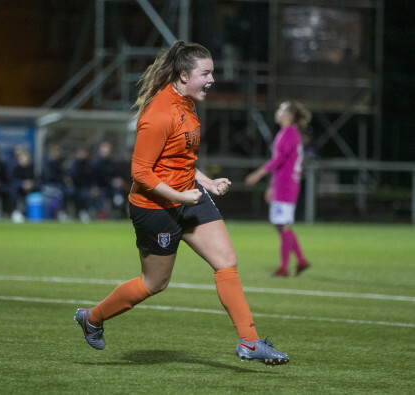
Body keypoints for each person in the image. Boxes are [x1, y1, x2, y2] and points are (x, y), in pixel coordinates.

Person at [74, 40, 289, 365]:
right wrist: (179, 195)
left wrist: (206, 182)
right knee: (154, 283)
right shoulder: (158, 114)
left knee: (226, 260)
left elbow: (180, 158)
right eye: (206, 73)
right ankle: (92, 319)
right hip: (155, 208)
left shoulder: (187, 103)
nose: (212, 79)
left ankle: (250, 342)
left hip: (188, 196)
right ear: (183, 75)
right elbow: (140, 172)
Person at [245, 101, 312, 277]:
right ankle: (301, 261)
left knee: (282, 224)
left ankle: (284, 267)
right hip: (283, 184)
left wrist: (258, 174)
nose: (278, 112)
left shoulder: (289, 133)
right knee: (283, 224)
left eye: (282, 109)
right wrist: (271, 187)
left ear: (289, 114)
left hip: (286, 185)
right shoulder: (288, 133)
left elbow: (279, 159)